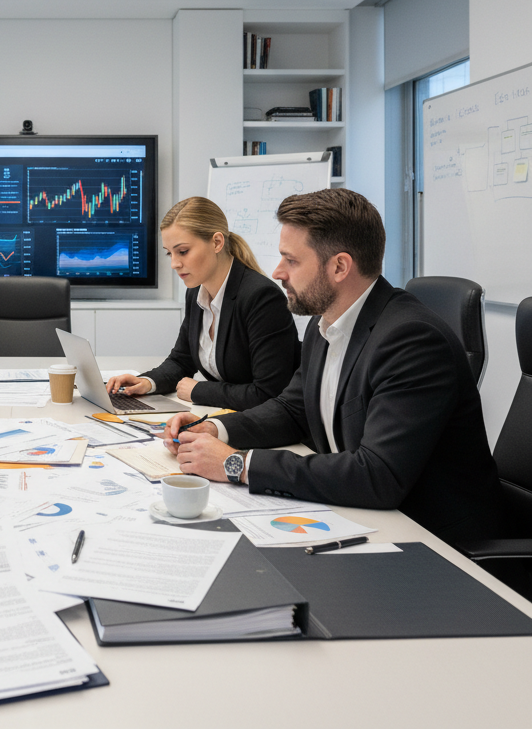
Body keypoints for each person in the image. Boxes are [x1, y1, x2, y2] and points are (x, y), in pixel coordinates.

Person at [163, 188, 501, 544]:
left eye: (291, 261)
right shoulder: (324, 324)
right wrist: (215, 429)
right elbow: (292, 410)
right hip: (359, 516)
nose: (278, 272)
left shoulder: (412, 340)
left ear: (339, 266)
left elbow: (377, 475)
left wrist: (239, 464)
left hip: (433, 543)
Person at [106, 197, 300, 410]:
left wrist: (198, 391)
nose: (174, 263)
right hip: (227, 416)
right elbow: (181, 361)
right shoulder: (196, 292)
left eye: (183, 251)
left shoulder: (261, 298)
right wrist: (147, 382)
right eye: (169, 253)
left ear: (217, 243)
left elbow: (268, 393)